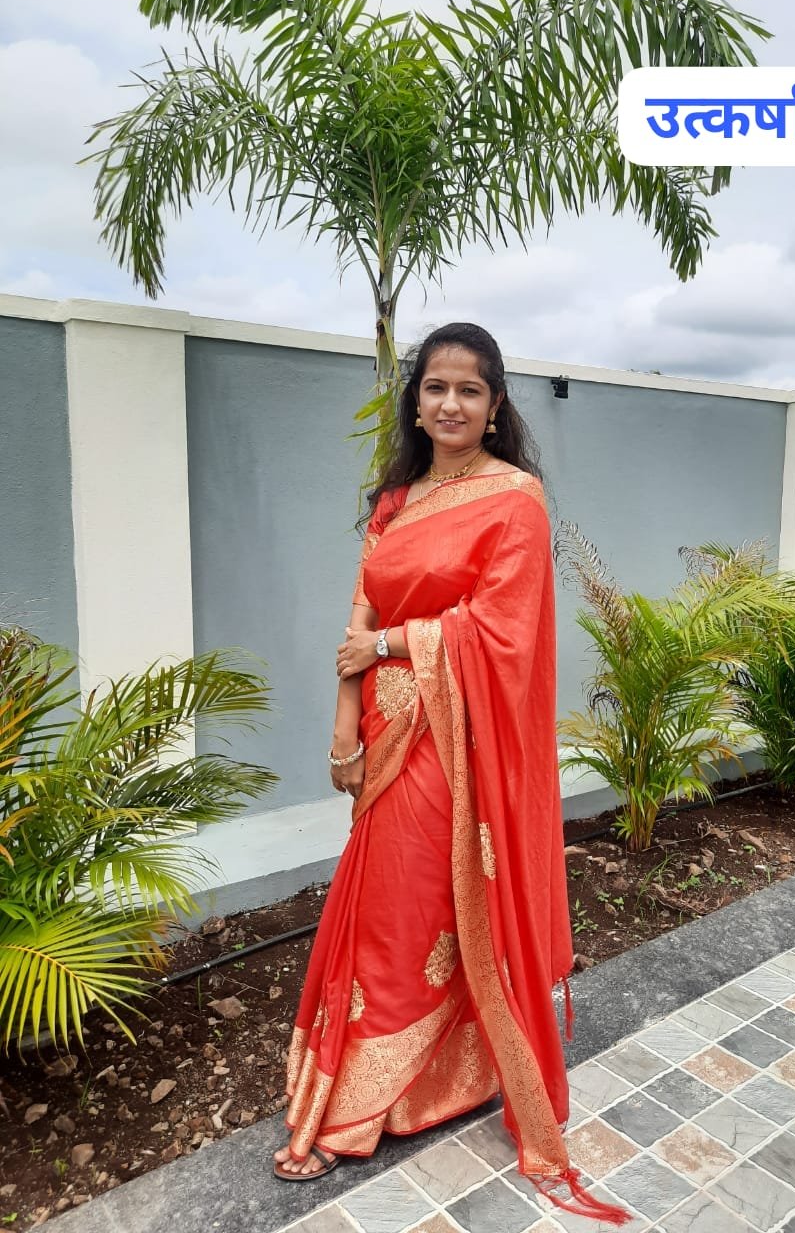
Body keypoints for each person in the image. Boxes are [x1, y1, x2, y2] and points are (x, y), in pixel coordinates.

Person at [272, 323, 629, 1225]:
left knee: (416, 902)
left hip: (455, 740)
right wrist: (344, 732)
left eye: (470, 390)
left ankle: (375, 1099)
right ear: (417, 401)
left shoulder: (516, 499)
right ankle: (393, 1075)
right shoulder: (395, 501)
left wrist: (395, 645)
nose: (451, 404)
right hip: (385, 730)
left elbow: (503, 631)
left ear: (495, 405)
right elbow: (355, 624)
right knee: (383, 900)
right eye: (436, 387)